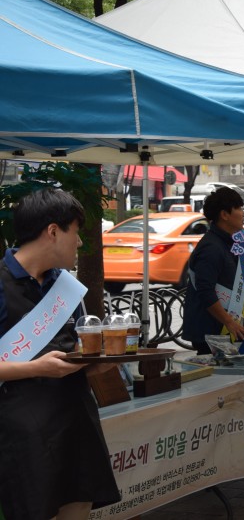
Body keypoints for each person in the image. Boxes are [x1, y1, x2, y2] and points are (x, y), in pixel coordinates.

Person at [0, 188, 120, 519]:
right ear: (53, 232)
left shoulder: (66, 287)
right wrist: (36, 367)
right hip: (24, 430)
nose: (80, 243)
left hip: (76, 419)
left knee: (79, 507)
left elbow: (81, 353)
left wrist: (98, 363)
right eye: (76, 232)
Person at [183, 187, 244, 355]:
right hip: (212, 331)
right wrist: (230, 322)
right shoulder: (211, 247)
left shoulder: (231, 242)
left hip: (230, 328)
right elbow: (205, 290)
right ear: (224, 215)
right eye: (239, 208)